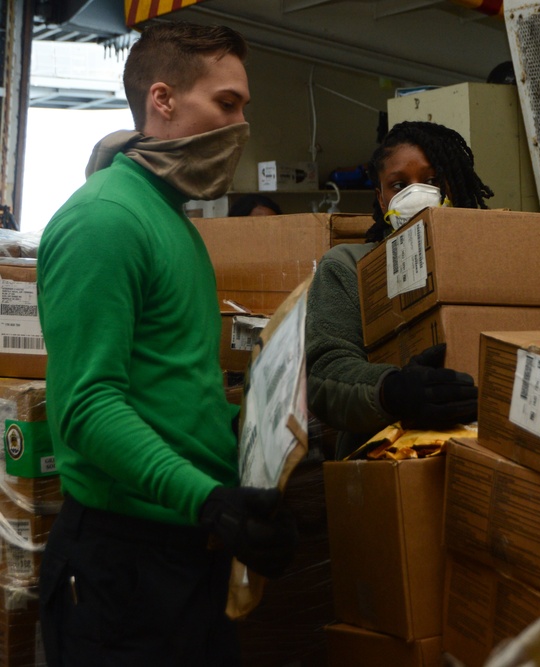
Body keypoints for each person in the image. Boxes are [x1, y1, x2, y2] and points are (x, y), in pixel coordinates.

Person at [37, 22, 297, 666]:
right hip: (123, 569)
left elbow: (179, 386)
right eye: (226, 103)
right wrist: (205, 498)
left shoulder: (171, 219)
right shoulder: (105, 220)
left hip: (185, 555)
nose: (239, 126)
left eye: (243, 107)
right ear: (163, 100)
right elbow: (87, 405)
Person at [306, 121, 492, 459]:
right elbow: (324, 375)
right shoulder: (348, 266)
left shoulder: (490, 252)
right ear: (380, 197)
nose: (417, 194)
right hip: (386, 459)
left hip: (483, 449)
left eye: (432, 180)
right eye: (398, 185)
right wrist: (392, 391)